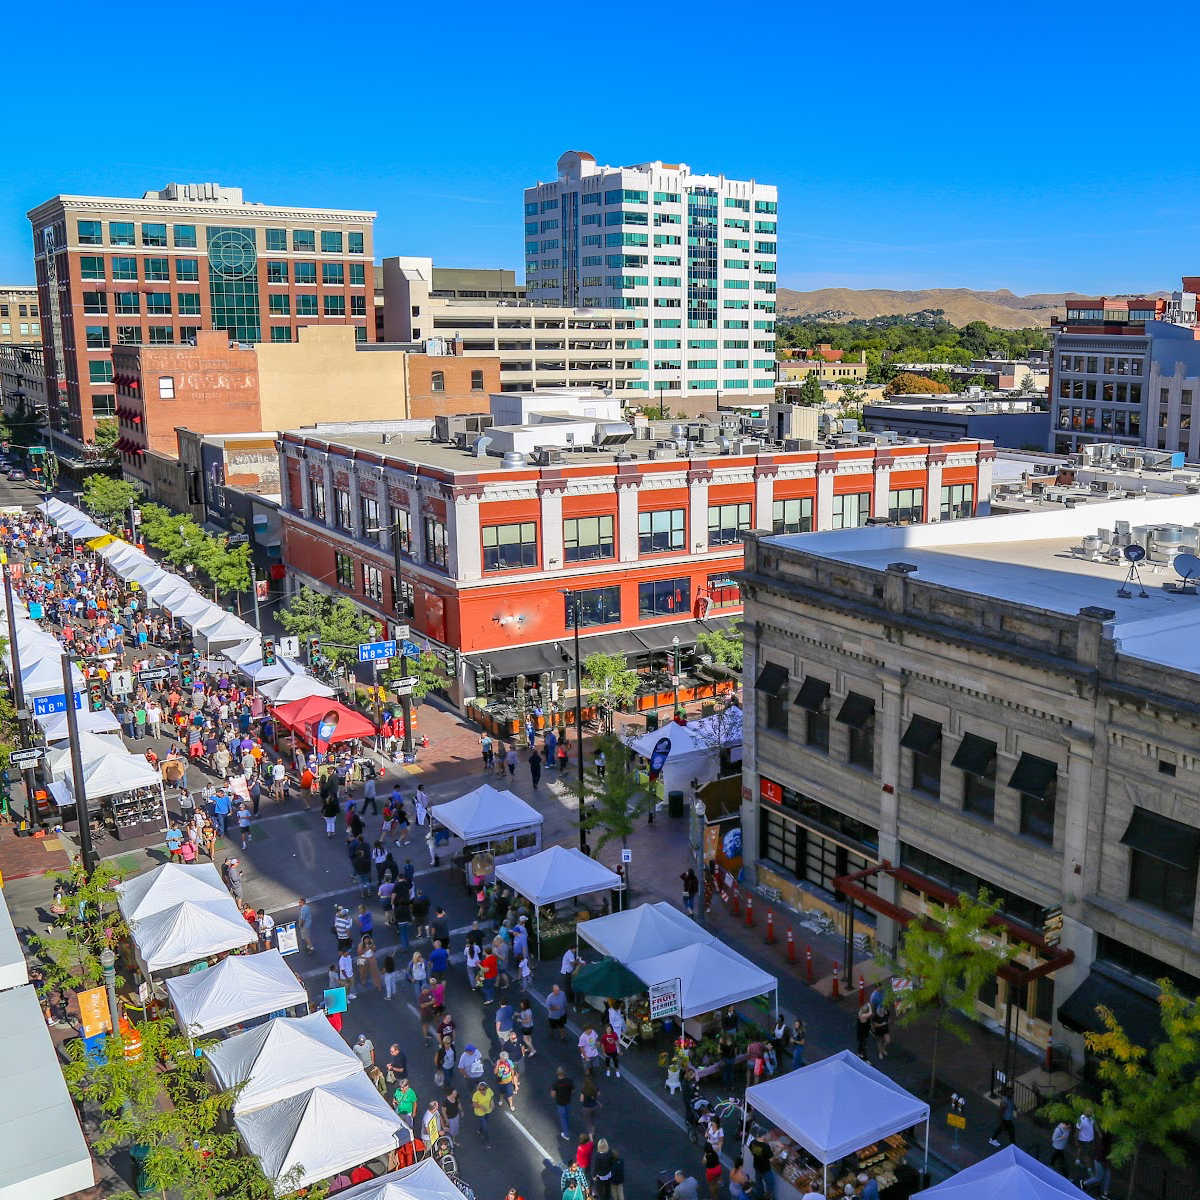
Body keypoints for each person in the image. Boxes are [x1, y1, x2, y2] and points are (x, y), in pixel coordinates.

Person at [551, 1066, 574, 1140]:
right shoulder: (569, 1081)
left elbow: (553, 1095)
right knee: (567, 1116)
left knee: (563, 1118)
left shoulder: (556, 1084)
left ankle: (566, 1134)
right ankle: (567, 1127)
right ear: (564, 1073)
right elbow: (573, 1090)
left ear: (557, 1074)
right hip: (568, 1101)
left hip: (560, 1103)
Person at [471, 1079, 495, 1147]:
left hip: (488, 1111)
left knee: (485, 1122)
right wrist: (481, 1106)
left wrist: (492, 1102)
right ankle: (487, 1142)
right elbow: (474, 1105)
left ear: (486, 1088)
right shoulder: (476, 1095)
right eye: (480, 1089)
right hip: (480, 1113)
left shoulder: (489, 1090)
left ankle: (480, 1130)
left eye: (484, 1089)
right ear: (478, 1089)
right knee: (485, 1127)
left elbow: (491, 1097)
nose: (482, 1091)